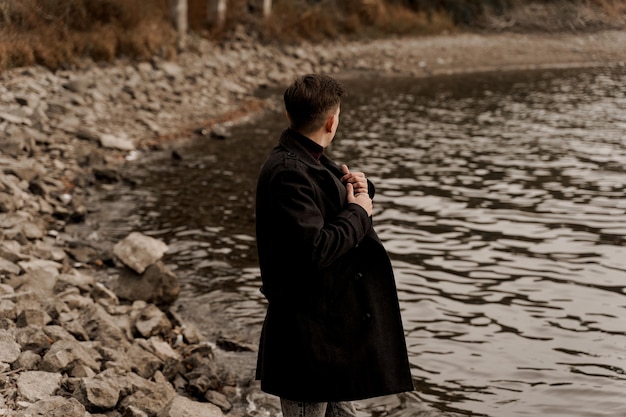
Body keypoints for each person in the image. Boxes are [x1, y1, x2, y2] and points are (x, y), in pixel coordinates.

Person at [254, 74, 414, 417]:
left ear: (289, 116)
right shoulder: (287, 172)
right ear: (331, 121)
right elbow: (316, 249)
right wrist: (358, 211)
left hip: (328, 334)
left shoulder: (311, 158)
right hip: (304, 343)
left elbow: (326, 206)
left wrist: (360, 188)